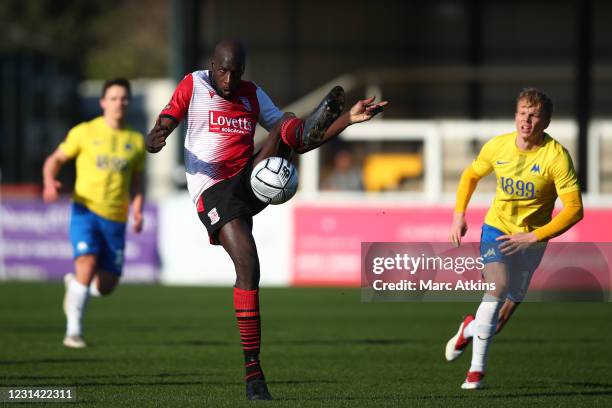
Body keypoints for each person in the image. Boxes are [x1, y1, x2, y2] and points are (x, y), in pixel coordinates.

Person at [146, 39, 386, 400]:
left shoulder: (252, 94)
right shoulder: (193, 84)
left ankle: (320, 116)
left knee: (286, 127)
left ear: (244, 70)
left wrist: (347, 119)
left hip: (247, 178)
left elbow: (302, 142)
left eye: (236, 71)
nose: (228, 78)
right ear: (212, 64)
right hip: (212, 188)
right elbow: (168, 118)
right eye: (223, 70)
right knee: (249, 265)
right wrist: (158, 134)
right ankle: (253, 370)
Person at [445, 88, 583, 389]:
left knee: (499, 319)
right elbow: (470, 175)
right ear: (515, 115)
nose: (526, 120)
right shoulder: (498, 146)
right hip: (497, 228)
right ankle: (476, 371)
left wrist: (533, 237)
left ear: (545, 122)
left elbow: (574, 210)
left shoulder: (557, 157)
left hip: (531, 241)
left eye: (534, 115)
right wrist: (459, 214)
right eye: (522, 113)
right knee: (498, 286)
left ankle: (469, 330)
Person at [42, 78, 145, 349]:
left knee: (106, 286)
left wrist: (137, 208)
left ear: (128, 102)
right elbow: (54, 160)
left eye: (123, 98)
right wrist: (49, 181)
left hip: (116, 218)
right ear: (102, 102)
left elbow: (137, 179)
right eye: (113, 98)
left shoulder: (135, 140)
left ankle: (75, 286)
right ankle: (73, 331)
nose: (118, 103)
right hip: (85, 211)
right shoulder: (84, 132)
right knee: (86, 265)